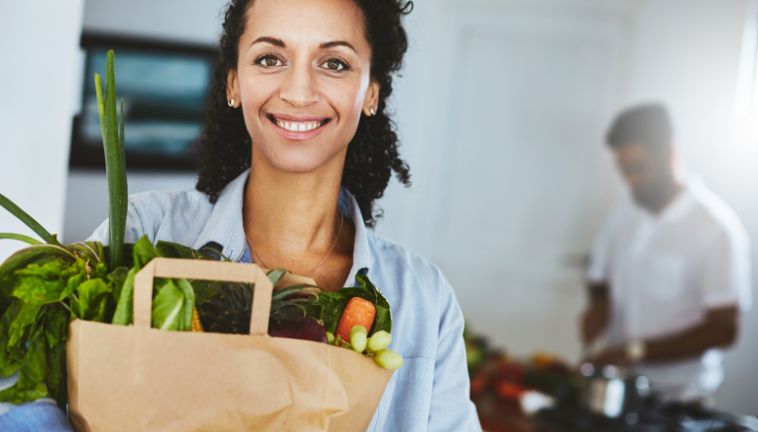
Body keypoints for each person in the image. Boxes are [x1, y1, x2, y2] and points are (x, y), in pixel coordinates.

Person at [0, 0, 481, 430]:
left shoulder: (424, 300)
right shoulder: (141, 233)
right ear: (234, 83)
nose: (298, 91)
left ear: (371, 92)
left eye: (334, 63)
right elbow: (22, 395)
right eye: (270, 58)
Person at [581, 103, 751, 403]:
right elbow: (599, 278)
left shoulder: (715, 229)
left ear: (669, 153)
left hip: (677, 398)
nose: (630, 180)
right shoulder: (624, 209)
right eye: (623, 170)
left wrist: (635, 351)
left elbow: (724, 328)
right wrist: (597, 309)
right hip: (619, 389)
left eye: (638, 169)